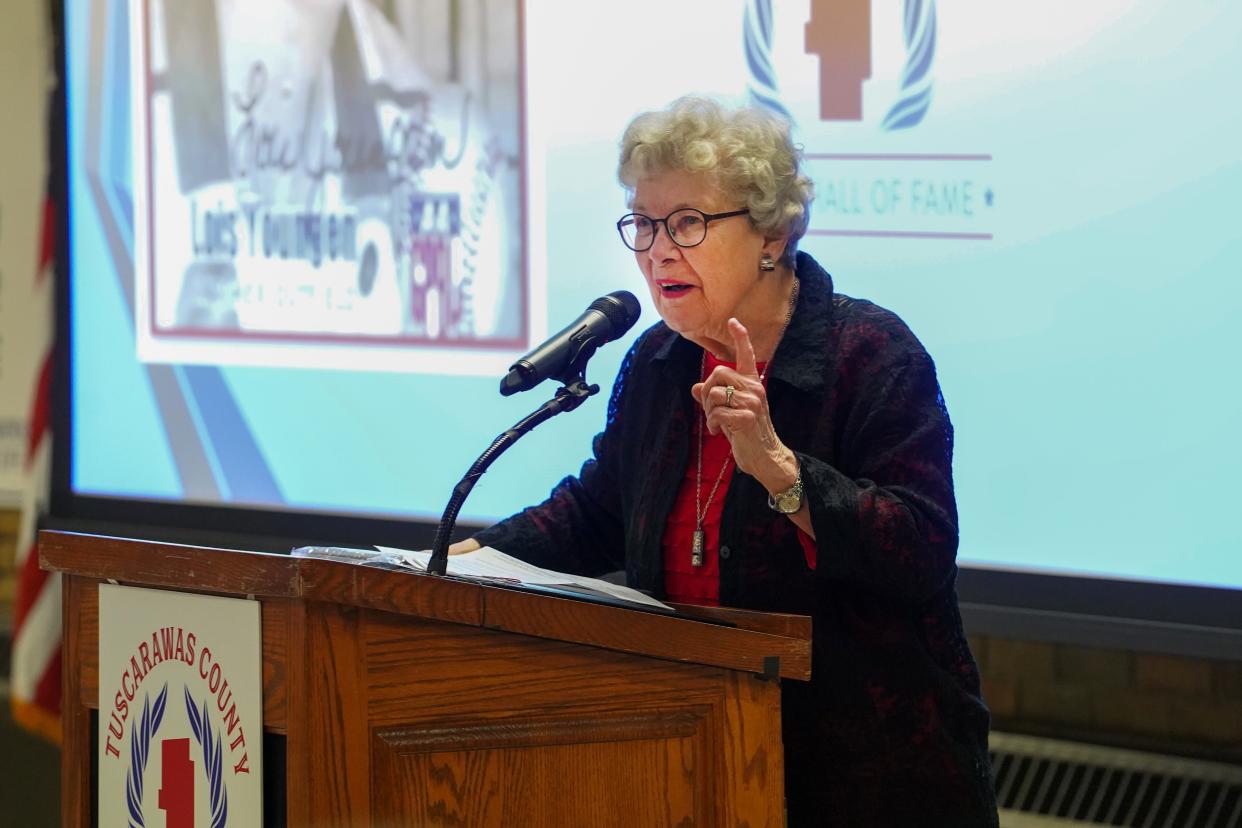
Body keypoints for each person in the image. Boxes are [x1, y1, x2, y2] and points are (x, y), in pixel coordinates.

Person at [452, 96, 998, 825]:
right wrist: (466, 557)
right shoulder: (656, 364)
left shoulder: (869, 355)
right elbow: (597, 514)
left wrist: (781, 470)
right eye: (643, 223)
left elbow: (921, 548)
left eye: (688, 222)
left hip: (868, 777)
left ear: (772, 232)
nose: (657, 251)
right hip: (697, 756)